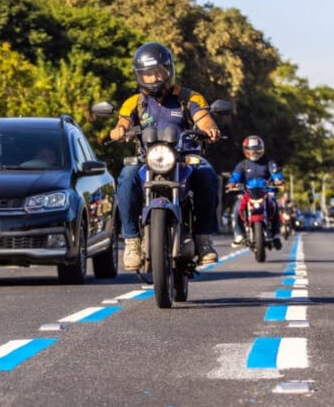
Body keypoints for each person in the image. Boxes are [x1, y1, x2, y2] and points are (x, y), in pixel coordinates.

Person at [110, 42, 223, 270]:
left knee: (207, 175)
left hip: (185, 157)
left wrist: (210, 129)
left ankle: (203, 238)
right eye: (147, 73)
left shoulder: (189, 97)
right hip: (147, 158)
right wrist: (119, 131)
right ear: (139, 75)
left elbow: (204, 119)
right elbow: (123, 123)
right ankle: (132, 241)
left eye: (158, 72)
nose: (153, 78)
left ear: (169, 71)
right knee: (126, 177)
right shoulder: (134, 102)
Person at [227, 134, 285, 248]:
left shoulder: (269, 163)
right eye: (251, 151)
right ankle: (239, 234)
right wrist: (231, 183)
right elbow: (235, 176)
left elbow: (276, 173)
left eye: (256, 150)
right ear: (245, 150)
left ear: (262, 149)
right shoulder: (242, 164)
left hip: (266, 192)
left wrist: (278, 180)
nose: (254, 153)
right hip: (247, 193)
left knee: (274, 206)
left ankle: (276, 234)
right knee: (237, 208)